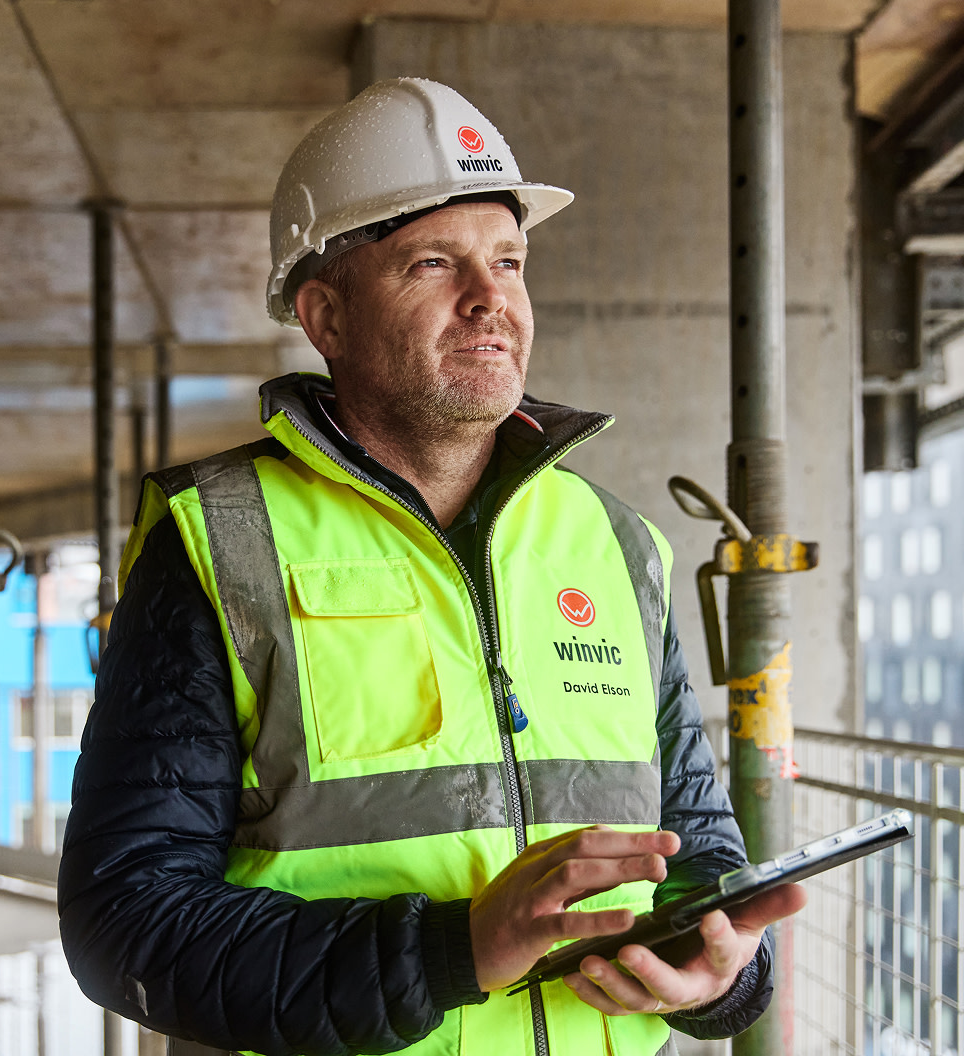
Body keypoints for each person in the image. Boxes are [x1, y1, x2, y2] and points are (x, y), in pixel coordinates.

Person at [58, 77, 805, 1056]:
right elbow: (128, 922)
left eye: (509, 260)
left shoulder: (615, 545)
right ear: (326, 317)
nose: (490, 297)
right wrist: (451, 950)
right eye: (433, 263)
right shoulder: (221, 541)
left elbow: (695, 839)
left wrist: (721, 970)